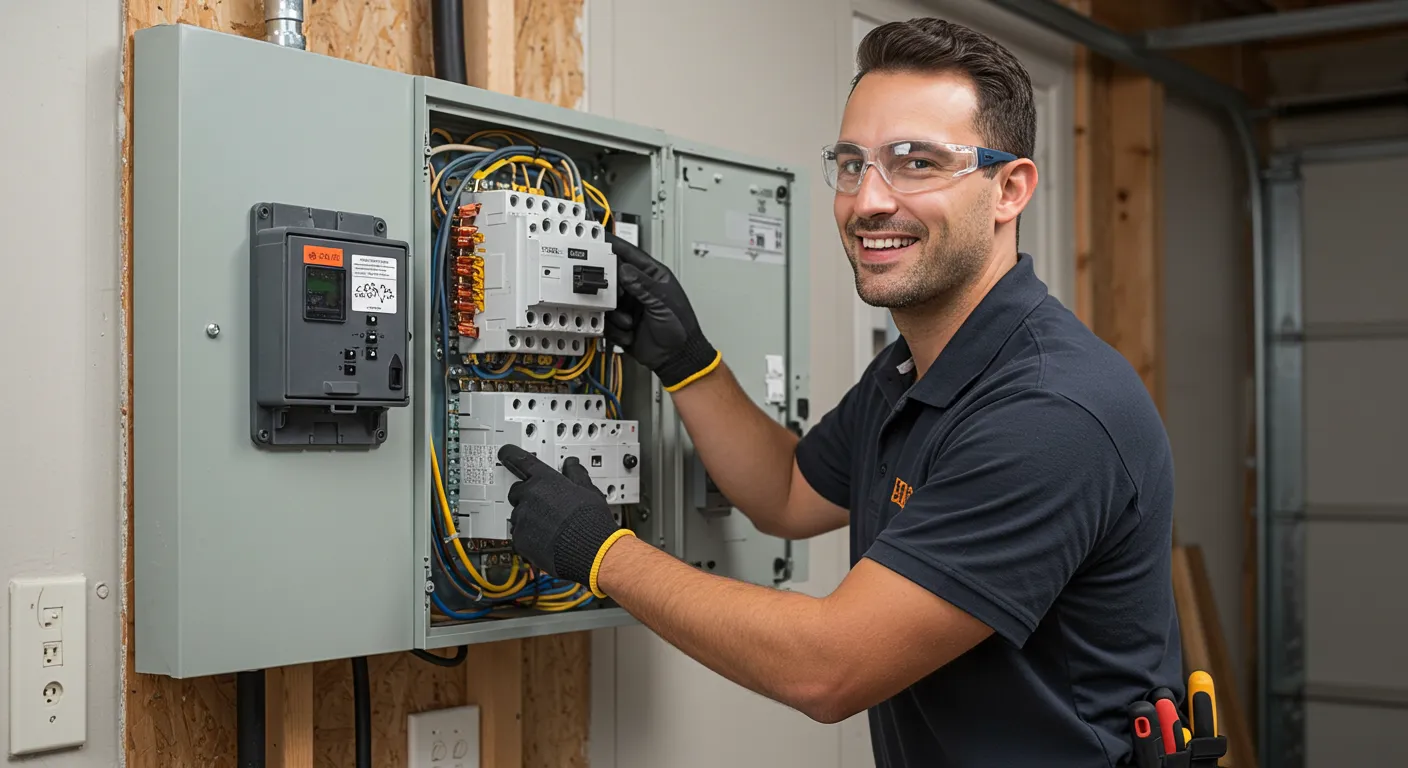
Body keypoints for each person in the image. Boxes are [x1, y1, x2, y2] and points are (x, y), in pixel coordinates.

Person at [497, 17, 1182, 767]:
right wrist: (688, 362)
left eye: (917, 163)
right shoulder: (912, 373)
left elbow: (827, 667)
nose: (867, 202)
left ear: (1009, 189)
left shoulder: (1051, 411)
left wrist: (600, 552)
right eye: (852, 164)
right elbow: (788, 493)